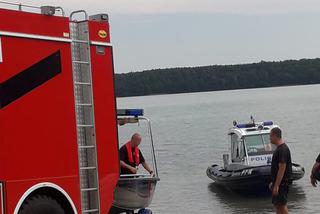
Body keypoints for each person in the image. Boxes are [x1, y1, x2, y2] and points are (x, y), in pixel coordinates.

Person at [269, 127, 292, 214]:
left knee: (282, 205)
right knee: (278, 205)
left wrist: (277, 185)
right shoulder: (279, 149)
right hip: (278, 183)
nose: (270, 138)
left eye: (270, 136)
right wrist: (273, 182)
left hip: (282, 184)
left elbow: (282, 168)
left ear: (275, 136)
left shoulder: (282, 149)